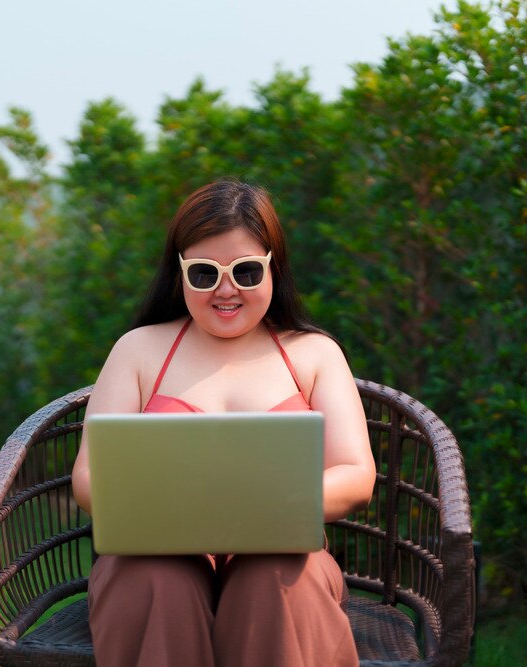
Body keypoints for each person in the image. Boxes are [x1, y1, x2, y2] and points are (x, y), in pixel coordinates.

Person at [71, 179, 376, 666]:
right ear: (179, 274)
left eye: (247, 271)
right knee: (151, 580)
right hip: (155, 551)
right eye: (204, 273)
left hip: (281, 554)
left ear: (274, 268)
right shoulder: (138, 350)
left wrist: (274, 503)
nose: (226, 289)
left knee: (273, 580)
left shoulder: (315, 354)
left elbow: (356, 475)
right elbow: (88, 477)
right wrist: (163, 505)